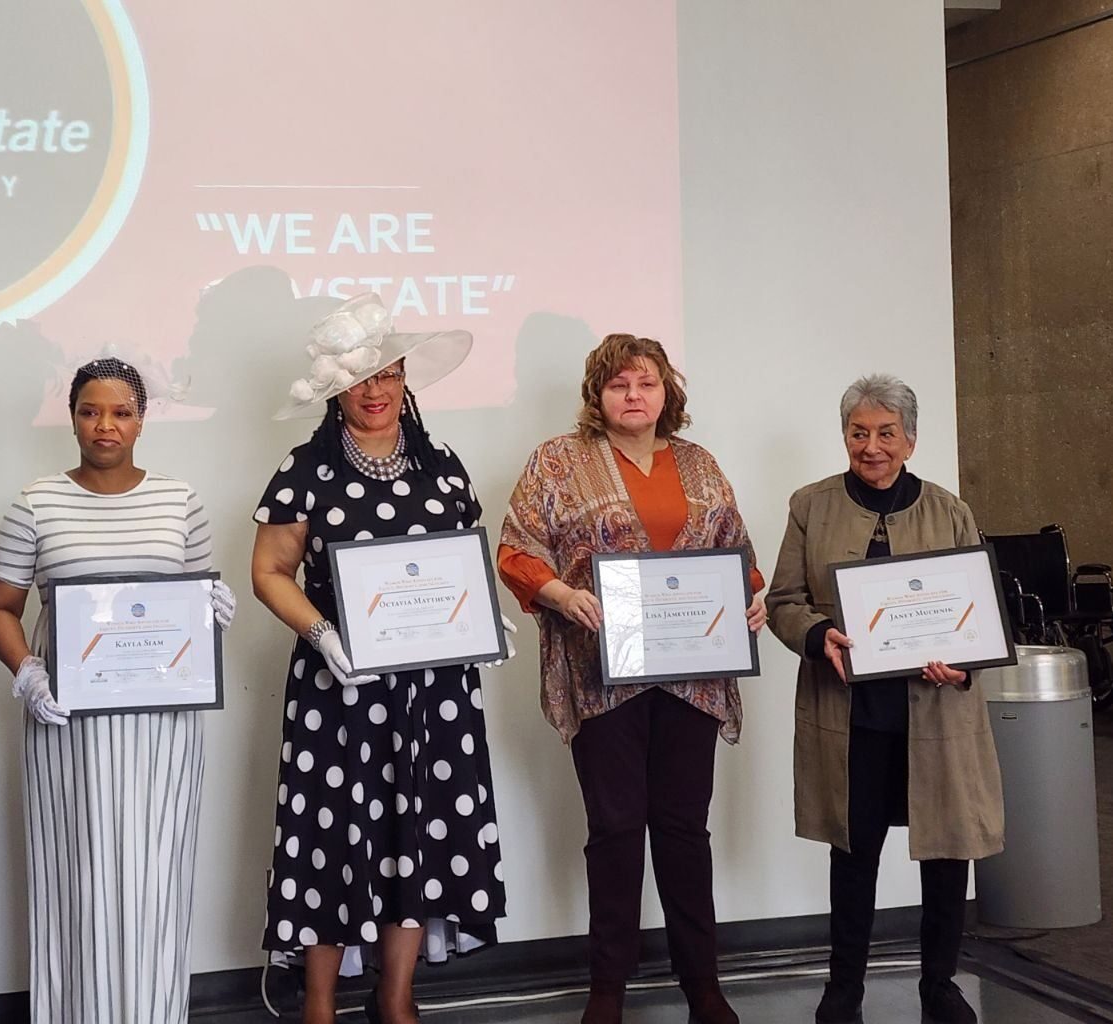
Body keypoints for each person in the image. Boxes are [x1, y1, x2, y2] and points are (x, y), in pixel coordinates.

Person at [251, 293, 514, 1024]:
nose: (375, 391)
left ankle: (396, 998)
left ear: (406, 380)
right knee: (333, 837)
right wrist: (322, 635)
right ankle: (320, 1004)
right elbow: (268, 569)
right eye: (362, 377)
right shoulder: (306, 467)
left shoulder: (442, 464)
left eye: (389, 374)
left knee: (417, 833)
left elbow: (462, 563)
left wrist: (485, 623)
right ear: (338, 385)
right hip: (339, 688)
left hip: (436, 692)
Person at [498, 334, 765, 1024]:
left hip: (693, 677)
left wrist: (753, 596)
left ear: (666, 392)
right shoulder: (558, 461)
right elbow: (515, 548)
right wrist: (559, 595)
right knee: (614, 827)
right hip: (601, 673)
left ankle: (702, 985)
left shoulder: (699, 464)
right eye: (618, 386)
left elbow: (736, 553)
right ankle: (606, 988)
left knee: (683, 829)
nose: (633, 396)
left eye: (645, 384)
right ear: (597, 396)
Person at [0, 354, 237, 1024]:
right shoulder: (36, 502)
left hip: (163, 728)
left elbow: (194, 601)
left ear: (142, 420)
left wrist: (213, 610)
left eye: (121, 412)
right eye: (91, 411)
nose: (105, 426)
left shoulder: (179, 500)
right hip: (69, 726)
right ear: (71, 417)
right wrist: (28, 673)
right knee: (80, 877)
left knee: (156, 877)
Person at [766, 374, 1002, 1024]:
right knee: (854, 848)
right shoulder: (810, 506)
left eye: (886, 433)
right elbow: (784, 602)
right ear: (845, 436)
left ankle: (940, 984)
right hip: (852, 714)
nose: (872, 447)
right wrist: (819, 637)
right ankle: (844, 989)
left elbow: (977, 613)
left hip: (936, 712)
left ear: (911, 439)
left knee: (947, 849)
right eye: (858, 432)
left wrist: (961, 660)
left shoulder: (948, 509)